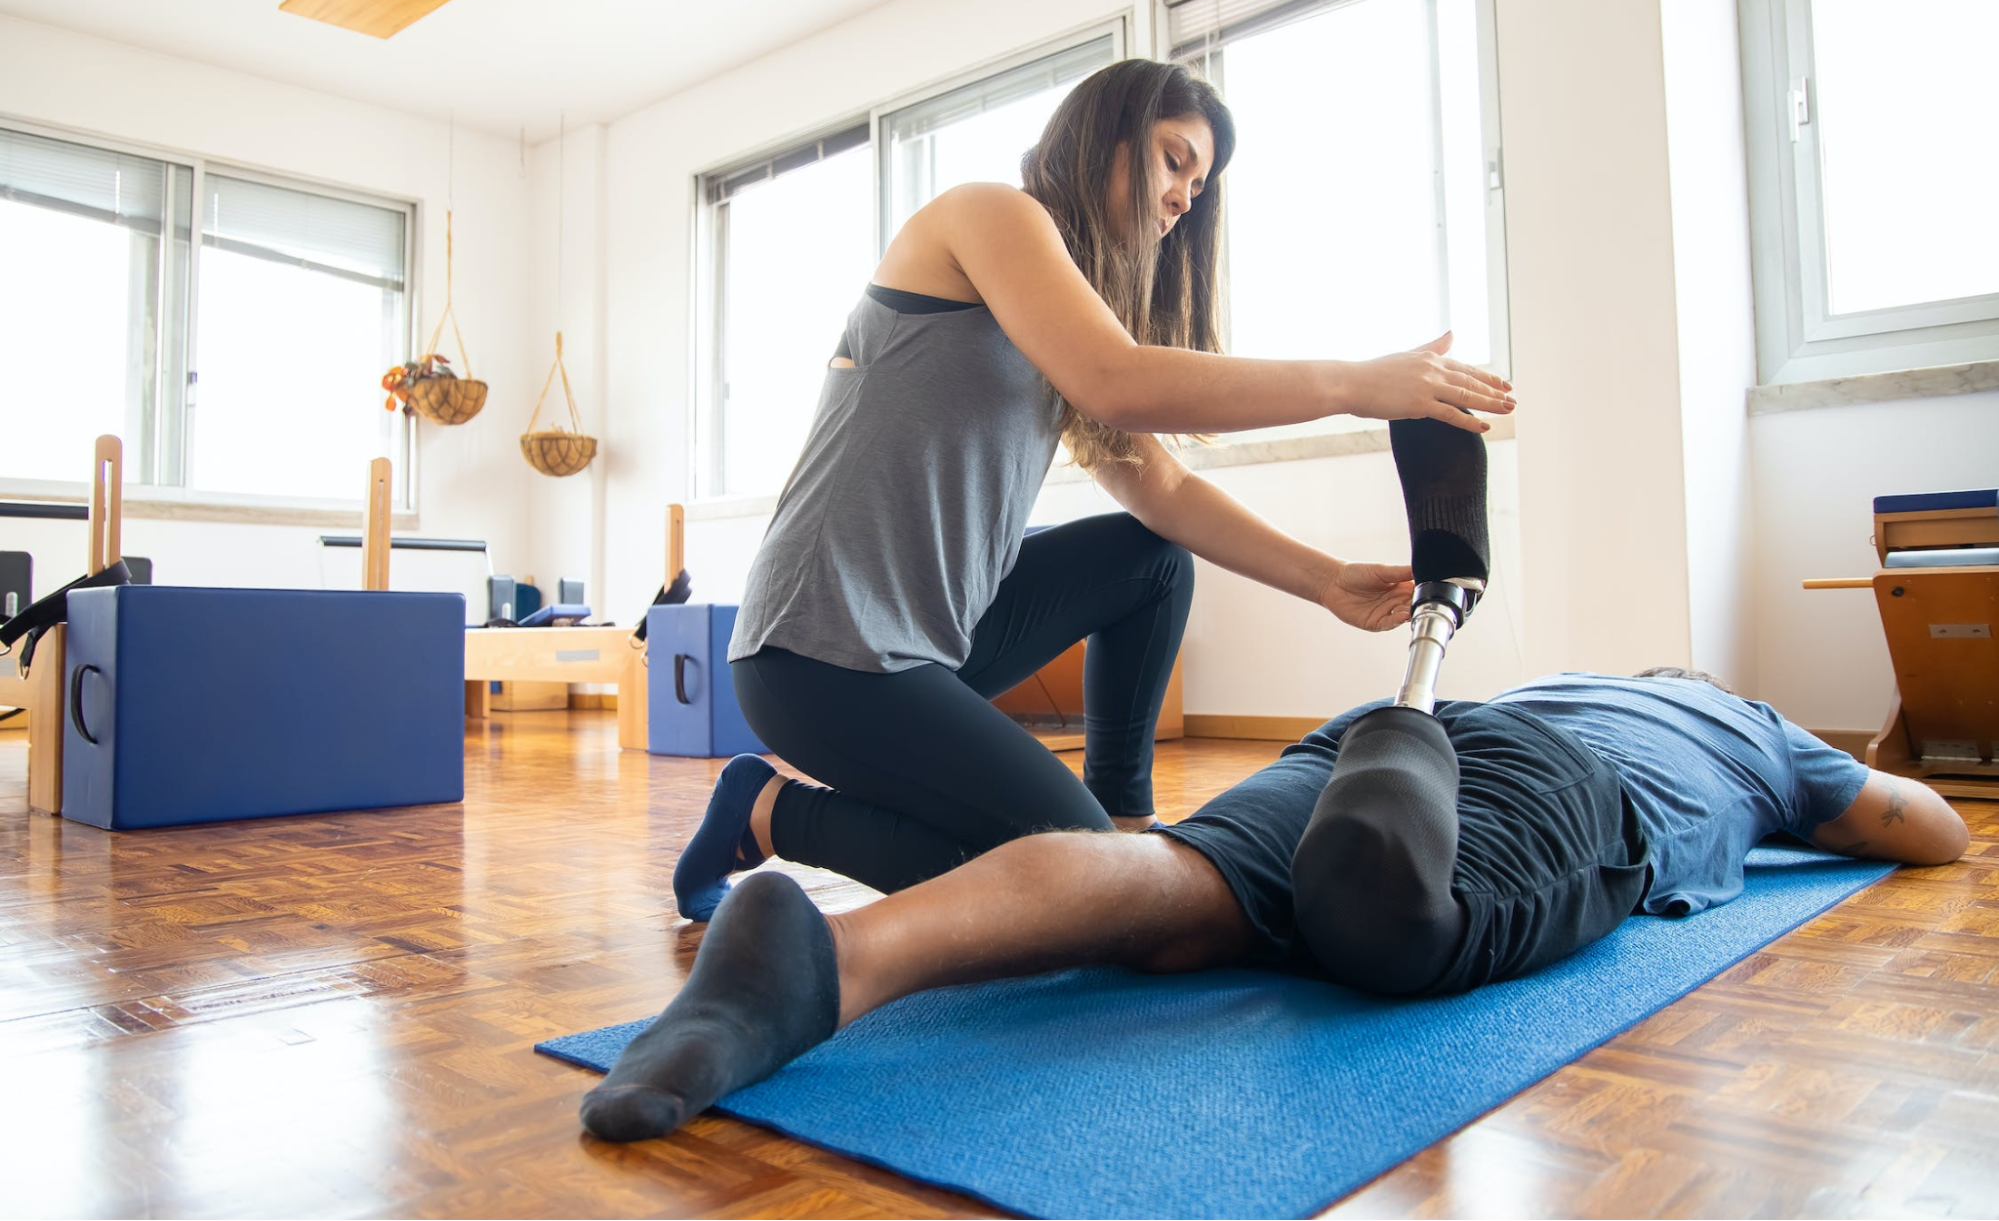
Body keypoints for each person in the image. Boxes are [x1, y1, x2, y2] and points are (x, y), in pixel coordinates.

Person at [671, 58, 1516, 923]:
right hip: (815, 651)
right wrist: (1352, 384)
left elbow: (1162, 487)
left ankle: (1123, 818)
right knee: (1084, 892)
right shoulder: (988, 214)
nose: (1186, 194)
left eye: (1201, 180)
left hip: (934, 642)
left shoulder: (1058, 311)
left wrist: (1326, 581)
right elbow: (1117, 379)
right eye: (1174, 157)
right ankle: (772, 811)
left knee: (1150, 558)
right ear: (1104, 135)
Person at [583, 665, 1968, 1142]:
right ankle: (1379, 857)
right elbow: (1928, 831)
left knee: (1170, 881)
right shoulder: (1749, 727)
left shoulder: (1567, 677)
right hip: (1568, 791)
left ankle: (835, 957)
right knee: (1404, 930)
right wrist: (1804, 768)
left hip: (1411, 719)